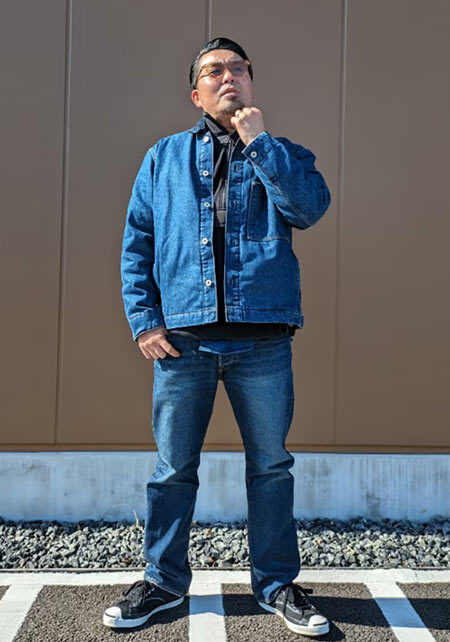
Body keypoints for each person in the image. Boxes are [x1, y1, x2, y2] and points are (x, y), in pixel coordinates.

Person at [103, 37, 331, 637]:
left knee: (272, 467)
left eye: (237, 68)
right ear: (195, 94)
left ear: (250, 82)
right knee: (172, 469)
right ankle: (162, 581)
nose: (226, 76)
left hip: (263, 343)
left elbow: (308, 209)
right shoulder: (164, 158)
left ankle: (277, 585)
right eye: (213, 70)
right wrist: (144, 320)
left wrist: (259, 143)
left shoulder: (282, 152)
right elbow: (137, 242)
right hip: (183, 343)